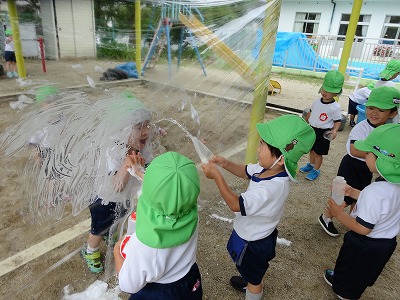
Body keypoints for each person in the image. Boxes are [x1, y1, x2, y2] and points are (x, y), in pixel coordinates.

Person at [201, 115, 315, 300]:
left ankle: (253, 288)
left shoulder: (273, 187)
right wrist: (225, 164)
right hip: (251, 232)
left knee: (254, 277)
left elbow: (235, 205)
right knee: (247, 268)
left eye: (262, 145)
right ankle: (248, 279)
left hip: (254, 241)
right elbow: (245, 170)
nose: (257, 148)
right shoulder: (267, 169)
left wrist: (217, 177)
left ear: (280, 158)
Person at [323, 123, 400, 300]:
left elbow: (363, 228)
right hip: (386, 243)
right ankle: (352, 285)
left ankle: (344, 292)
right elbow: (385, 206)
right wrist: (354, 192)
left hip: (364, 243)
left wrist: (338, 213)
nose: (365, 156)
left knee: (351, 267)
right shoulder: (392, 185)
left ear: (382, 160)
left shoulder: (375, 192)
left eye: (368, 153)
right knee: (364, 271)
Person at [114, 151, 202, 300]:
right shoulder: (190, 212)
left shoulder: (145, 244)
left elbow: (128, 285)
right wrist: (138, 172)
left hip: (159, 294)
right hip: (189, 281)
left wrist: (118, 249)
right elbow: (173, 193)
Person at [81, 103, 154, 274]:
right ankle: (89, 250)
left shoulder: (138, 147)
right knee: (99, 226)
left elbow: (147, 168)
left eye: (147, 125)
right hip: (103, 199)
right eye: (138, 127)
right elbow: (116, 187)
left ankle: (108, 232)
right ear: (124, 130)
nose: (146, 132)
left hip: (122, 199)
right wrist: (126, 165)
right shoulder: (113, 152)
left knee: (118, 216)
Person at [318, 86, 399, 237]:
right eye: (371, 108)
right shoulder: (362, 127)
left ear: (393, 113)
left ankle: (355, 219)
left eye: (381, 110)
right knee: (342, 196)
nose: (374, 113)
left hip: (368, 168)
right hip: (352, 166)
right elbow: (354, 149)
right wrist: (381, 155)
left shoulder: (390, 130)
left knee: (362, 194)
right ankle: (326, 217)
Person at [299, 70, 344, 181]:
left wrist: (334, 131)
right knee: (312, 150)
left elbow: (338, 121)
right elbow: (310, 112)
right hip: (312, 130)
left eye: (329, 91)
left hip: (324, 133)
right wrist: (304, 122)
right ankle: (311, 164)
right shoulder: (316, 102)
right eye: (324, 89)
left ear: (336, 93)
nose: (325, 93)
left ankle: (316, 169)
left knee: (319, 153)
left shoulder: (335, 107)